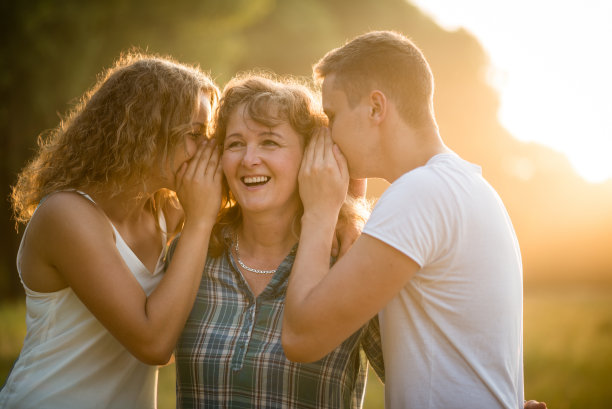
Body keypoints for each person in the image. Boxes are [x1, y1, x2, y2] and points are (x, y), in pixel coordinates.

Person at [282, 30, 544, 408]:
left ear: (375, 108)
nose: (329, 134)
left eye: (333, 115)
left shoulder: (419, 194)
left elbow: (301, 338)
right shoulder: (468, 187)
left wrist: (320, 212)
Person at [0, 52, 223, 409]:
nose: (204, 150)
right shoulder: (66, 215)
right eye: (196, 134)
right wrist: (199, 222)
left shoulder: (166, 212)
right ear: (147, 130)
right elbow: (154, 344)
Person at [169, 73, 384, 408]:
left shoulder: (349, 260)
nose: (248, 159)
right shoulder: (193, 252)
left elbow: (424, 378)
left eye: (269, 142)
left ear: (311, 158)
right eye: (235, 143)